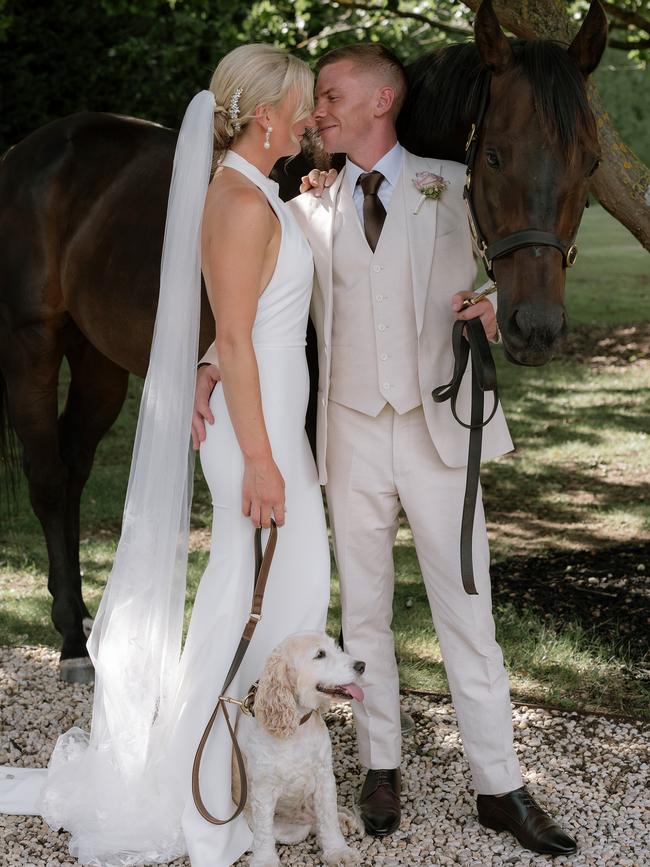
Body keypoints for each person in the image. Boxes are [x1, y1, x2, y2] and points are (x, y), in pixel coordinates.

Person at [193, 43, 578, 858]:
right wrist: (204, 367)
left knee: (467, 616)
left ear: (380, 102)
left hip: (443, 430)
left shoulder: (458, 183)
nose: (316, 111)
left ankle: (500, 785)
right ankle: (380, 765)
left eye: (330, 95)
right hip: (350, 435)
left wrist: (499, 306)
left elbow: (524, 240)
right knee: (362, 615)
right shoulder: (305, 206)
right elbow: (254, 299)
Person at [0, 44, 330, 867]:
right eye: (301, 103)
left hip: (269, 421)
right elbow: (234, 335)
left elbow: (235, 330)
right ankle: (202, 783)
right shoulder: (242, 202)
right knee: (248, 591)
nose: (310, 115)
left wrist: (213, 372)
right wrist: (258, 456)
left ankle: (243, 773)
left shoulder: (256, 191)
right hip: (259, 435)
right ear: (264, 116)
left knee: (289, 593)